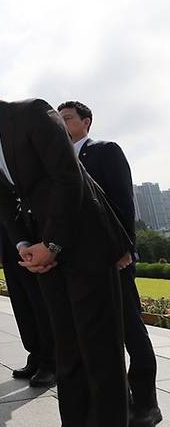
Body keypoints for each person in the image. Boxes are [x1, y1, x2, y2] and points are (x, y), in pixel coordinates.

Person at [0, 69, 132, 426]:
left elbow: (68, 179)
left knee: (99, 347)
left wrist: (52, 243)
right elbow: (6, 198)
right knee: (66, 346)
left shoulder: (33, 114)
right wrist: (25, 243)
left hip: (83, 242)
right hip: (43, 248)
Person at [58, 100, 162, 426]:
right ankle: (121, 401)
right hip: (78, 263)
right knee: (98, 337)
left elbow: (122, 201)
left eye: (68, 118)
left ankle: (147, 404)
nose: (62, 124)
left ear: (86, 121)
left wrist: (125, 248)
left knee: (131, 330)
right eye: (57, 120)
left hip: (113, 257)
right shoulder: (58, 162)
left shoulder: (104, 151)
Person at [0, 180, 56, 388]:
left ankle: (50, 361)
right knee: (22, 306)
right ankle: (34, 354)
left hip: (34, 243)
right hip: (9, 248)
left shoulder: (24, 157)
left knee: (40, 305)